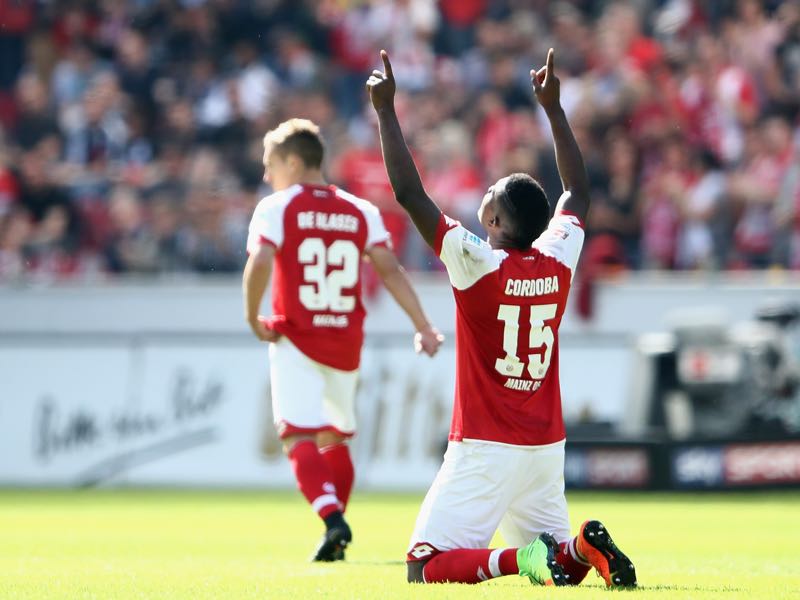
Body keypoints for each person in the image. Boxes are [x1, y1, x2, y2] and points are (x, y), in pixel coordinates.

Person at [367, 49, 637, 587]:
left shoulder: (477, 261)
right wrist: (554, 110)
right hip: (544, 444)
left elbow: (407, 194)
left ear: (492, 218)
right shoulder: (558, 256)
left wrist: (385, 110)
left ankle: (519, 559)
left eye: (487, 198)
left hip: (486, 446)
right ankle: (580, 548)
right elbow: (578, 191)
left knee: (423, 566)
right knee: (562, 565)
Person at [243, 118, 443, 562]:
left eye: (269, 164)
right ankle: (334, 528)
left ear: (293, 162)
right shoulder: (360, 211)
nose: (265, 175)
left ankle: (333, 521)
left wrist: (253, 317)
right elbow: (390, 269)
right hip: (346, 341)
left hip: (295, 336)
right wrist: (423, 325)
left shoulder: (276, 207)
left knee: (298, 437)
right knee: (336, 439)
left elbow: (260, 261)